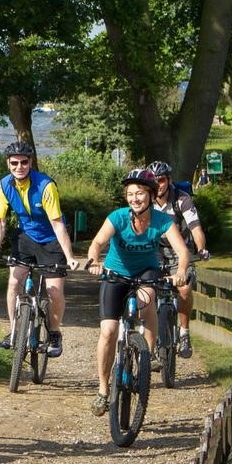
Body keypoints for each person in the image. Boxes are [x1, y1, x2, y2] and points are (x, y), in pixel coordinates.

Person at [84, 169, 191, 415]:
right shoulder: (118, 217)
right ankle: (102, 389)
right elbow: (97, 243)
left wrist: (181, 271)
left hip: (145, 271)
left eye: (140, 193)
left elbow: (182, 251)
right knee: (108, 331)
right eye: (130, 194)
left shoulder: (162, 221)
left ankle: (147, 356)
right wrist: (93, 261)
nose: (135, 198)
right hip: (116, 273)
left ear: (151, 195)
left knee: (147, 300)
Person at [0, 141, 81, 359]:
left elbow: (58, 224)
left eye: (24, 162)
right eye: (14, 163)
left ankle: (54, 334)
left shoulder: (46, 186)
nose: (19, 166)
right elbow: (0, 220)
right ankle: (14, 332)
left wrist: (70, 257)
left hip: (51, 239)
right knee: (13, 282)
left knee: (54, 290)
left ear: (31, 163)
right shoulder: (4, 185)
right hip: (26, 237)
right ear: (8, 164)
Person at [145, 160, 210, 359]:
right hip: (154, 249)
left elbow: (195, 228)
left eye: (162, 179)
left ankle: (184, 332)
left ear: (169, 180)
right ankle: (147, 344)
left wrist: (201, 248)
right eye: (154, 180)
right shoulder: (145, 200)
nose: (158, 184)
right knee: (146, 291)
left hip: (180, 250)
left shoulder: (182, 200)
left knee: (183, 289)